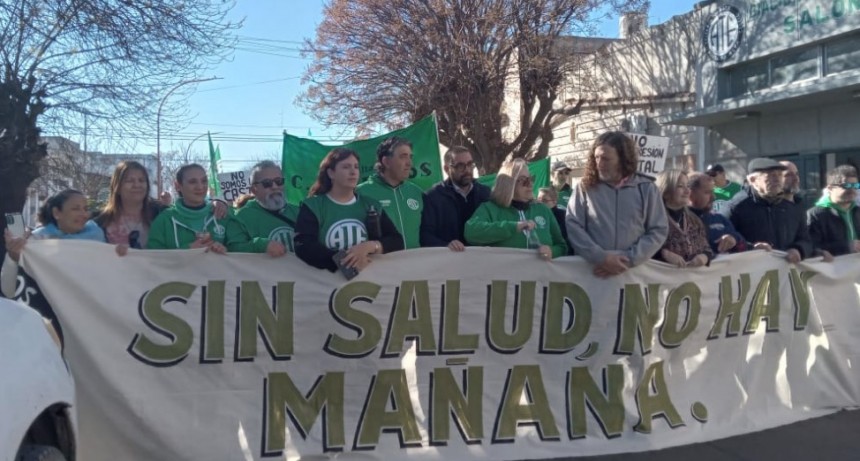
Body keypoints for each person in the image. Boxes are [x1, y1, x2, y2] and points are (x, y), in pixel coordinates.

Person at [566, 131, 668, 278]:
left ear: (622, 159)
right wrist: (601, 258)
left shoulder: (646, 188)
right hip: (592, 275)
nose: (599, 164)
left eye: (606, 159)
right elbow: (573, 226)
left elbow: (658, 230)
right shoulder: (585, 188)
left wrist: (628, 259)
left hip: (633, 276)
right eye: (596, 157)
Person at [294, 148, 404, 273]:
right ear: (331, 173)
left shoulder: (372, 205)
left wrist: (370, 246)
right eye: (346, 167)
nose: (353, 172)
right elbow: (303, 245)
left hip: (368, 284)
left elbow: (397, 241)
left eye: (356, 167)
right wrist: (346, 261)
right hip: (327, 286)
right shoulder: (314, 206)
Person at [2, 189, 106, 297]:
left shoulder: (97, 236)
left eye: (86, 209)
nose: (84, 214)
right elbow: (9, 291)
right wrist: (13, 258)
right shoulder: (36, 240)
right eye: (76, 209)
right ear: (56, 213)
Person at [465, 158, 567, 260]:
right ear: (508, 184)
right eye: (523, 180)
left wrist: (552, 251)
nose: (530, 184)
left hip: (541, 275)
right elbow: (471, 232)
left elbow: (562, 246)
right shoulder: (490, 208)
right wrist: (514, 227)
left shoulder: (543, 210)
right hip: (503, 274)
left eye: (531, 179)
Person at [724, 158, 813, 263]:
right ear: (753, 180)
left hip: (784, 274)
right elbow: (723, 241)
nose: (777, 180)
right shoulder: (736, 207)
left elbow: (806, 240)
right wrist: (751, 248)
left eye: (780, 175)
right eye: (770, 175)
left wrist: (799, 250)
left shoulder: (793, 207)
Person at [147, 164, 234, 253]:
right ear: (177, 186)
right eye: (192, 182)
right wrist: (186, 252)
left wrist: (227, 252)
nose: (200, 187)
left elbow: (241, 252)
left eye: (204, 181)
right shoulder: (164, 220)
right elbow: (153, 260)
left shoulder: (223, 213)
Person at [355, 136, 423, 249]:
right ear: (386, 161)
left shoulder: (416, 192)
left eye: (410, 157)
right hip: (381, 265)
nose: (409, 163)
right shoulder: (361, 193)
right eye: (403, 157)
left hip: (416, 263)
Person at [420, 145, 490, 251]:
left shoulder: (486, 193)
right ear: (447, 169)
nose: (467, 170)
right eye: (460, 166)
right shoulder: (433, 197)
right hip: (450, 262)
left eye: (470, 164)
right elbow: (425, 235)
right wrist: (446, 245)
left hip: (483, 259)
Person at [225, 161, 298, 257]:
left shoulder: (300, 212)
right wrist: (261, 245)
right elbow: (233, 249)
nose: (275, 187)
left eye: (279, 181)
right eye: (267, 183)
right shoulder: (241, 217)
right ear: (254, 190)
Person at [94, 161, 164, 249]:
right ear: (117, 187)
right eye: (130, 181)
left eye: (141, 180)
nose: (137, 185)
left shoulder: (161, 214)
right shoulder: (99, 223)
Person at [653, 169, 712, 267]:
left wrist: (705, 256)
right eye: (680, 186)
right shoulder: (652, 220)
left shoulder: (695, 220)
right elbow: (642, 249)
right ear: (666, 192)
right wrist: (663, 253)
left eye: (687, 186)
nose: (687, 191)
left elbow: (707, 248)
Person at [687, 172, 747, 254]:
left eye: (713, 192)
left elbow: (744, 246)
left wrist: (734, 239)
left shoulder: (720, 219)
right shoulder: (681, 221)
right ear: (690, 194)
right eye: (707, 192)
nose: (713, 197)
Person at [807, 165, 860, 257]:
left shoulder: (857, 211)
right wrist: (846, 247)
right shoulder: (816, 215)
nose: (852, 190)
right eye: (846, 185)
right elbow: (811, 248)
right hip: (833, 269)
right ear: (830, 188)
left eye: (855, 185)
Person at [537, 187, 572, 255]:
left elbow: (562, 237)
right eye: (538, 199)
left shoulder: (563, 216)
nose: (540, 203)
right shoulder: (534, 214)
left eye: (544, 200)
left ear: (554, 202)